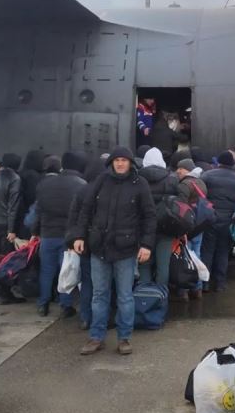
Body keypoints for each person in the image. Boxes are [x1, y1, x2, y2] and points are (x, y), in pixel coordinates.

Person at [73, 146, 156, 356]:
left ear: (130, 163)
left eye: (124, 160)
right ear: (111, 162)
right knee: (99, 295)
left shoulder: (140, 184)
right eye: (116, 160)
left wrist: (146, 244)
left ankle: (124, 337)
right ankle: (96, 337)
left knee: (125, 296)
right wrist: (79, 236)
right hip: (99, 247)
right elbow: (86, 210)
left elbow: (149, 216)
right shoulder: (101, 181)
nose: (120, 163)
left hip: (125, 249)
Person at [34, 153, 87, 318]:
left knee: (46, 271)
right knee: (66, 271)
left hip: (47, 233)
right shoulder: (81, 185)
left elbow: (38, 211)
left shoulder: (44, 184)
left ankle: (43, 305)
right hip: (67, 235)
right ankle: (65, 306)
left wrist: (35, 232)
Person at [66, 157, 106, 330]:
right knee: (103, 285)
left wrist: (73, 240)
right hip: (102, 243)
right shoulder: (107, 190)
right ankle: (100, 318)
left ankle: (85, 317)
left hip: (84, 243)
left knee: (87, 281)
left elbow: (73, 218)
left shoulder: (82, 191)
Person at [201, 150, 235, 292]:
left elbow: (200, 195)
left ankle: (205, 283)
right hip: (229, 221)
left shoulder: (207, 175)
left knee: (207, 251)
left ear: (219, 162)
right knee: (223, 252)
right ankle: (220, 283)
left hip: (211, 219)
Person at [0, 152, 24, 304]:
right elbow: (13, 207)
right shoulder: (14, 179)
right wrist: (12, 229)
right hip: (6, 224)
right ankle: (6, 294)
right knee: (6, 260)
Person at [138, 147, 180, 288]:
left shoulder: (137, 178)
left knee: (144, 263)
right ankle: (161, 297)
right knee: (163, 265)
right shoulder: (172, 179)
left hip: (143, 227)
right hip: (165, 226)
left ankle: (144, 298)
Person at [176, 158, 206, 300]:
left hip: (187, 227)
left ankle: (184, 291)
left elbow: (181, 208)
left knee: (185, 258)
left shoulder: (184, 184)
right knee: (197, 255)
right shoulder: (200, 182)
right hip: (199, 225)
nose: (177, 171)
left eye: (180, 169)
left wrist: (180, 229)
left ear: (187, 170)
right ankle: (197, 288)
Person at [18, 149, 46, 236]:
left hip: (20, 215)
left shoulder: (21, 173)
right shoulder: (32, 176)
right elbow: (33, 197)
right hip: (28, 215)